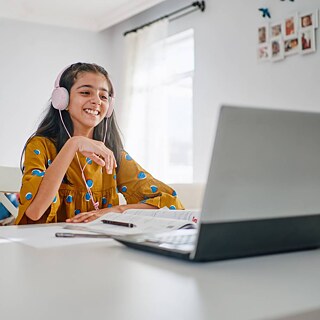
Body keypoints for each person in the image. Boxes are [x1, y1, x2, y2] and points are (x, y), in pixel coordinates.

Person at [16, 62, 184, 225]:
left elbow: (171, 203)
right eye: (86, 92)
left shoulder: (112, 155)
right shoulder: (40, 145)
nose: (97, 101)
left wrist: (116, 210)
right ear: (63, 100)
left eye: (103, 96)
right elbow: (34, 212)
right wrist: (73, 144)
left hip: (96, 245)